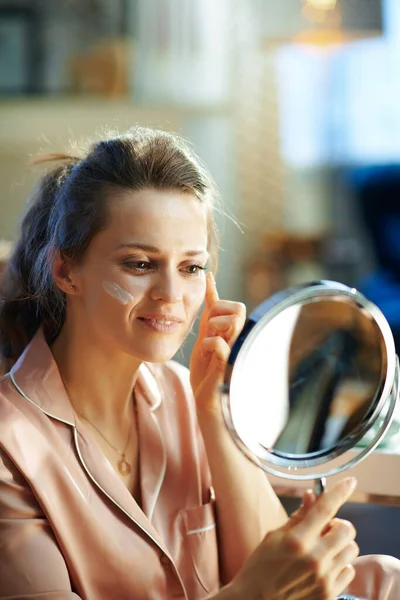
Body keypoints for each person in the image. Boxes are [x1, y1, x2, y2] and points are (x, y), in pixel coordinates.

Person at [0, 127, 399, 600]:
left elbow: (280, 576)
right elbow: (265, 587)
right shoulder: (11, 446)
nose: (171, 295)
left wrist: (214, 414)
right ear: (65, 270)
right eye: (140, 264)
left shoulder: (189, 395)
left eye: (191, 268)